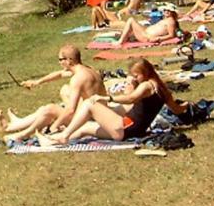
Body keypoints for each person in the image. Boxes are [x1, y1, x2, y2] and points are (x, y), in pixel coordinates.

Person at [41, 58, 188, 144]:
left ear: (146, 73)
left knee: (89, 104)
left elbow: (131, 98)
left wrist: (107, 98)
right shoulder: (163, 90)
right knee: (84, 129)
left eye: (136, 76)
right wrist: (186, 107)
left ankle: (63, 136)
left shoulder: (146, 86)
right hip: (133, 131)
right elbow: (177, 109)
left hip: (125, 128)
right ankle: (54, 139)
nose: (134, 78)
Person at [0, 45, 108, 141]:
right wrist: (37, 82)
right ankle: (13, 125)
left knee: (49, 109)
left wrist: (55, 126)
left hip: (89, 118)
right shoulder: (88, 70)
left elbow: (70, 111)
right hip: (101, 113)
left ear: (69, 60)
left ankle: (22, 135)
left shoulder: (78, 78)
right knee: (62, 93)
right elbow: (59, 74)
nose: (59, 62)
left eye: (61, 59)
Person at [116, 9, 183, 46]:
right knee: (123, 31)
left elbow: (171, 35)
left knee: (131, 20)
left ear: (173, 12)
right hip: (146, 33)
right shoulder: (166, 20)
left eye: (169, 11)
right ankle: (124, 37)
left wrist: (159, 38)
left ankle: (121, 41)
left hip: (148, 37)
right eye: (165, 10)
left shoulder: (171, 22)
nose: (166, 12)